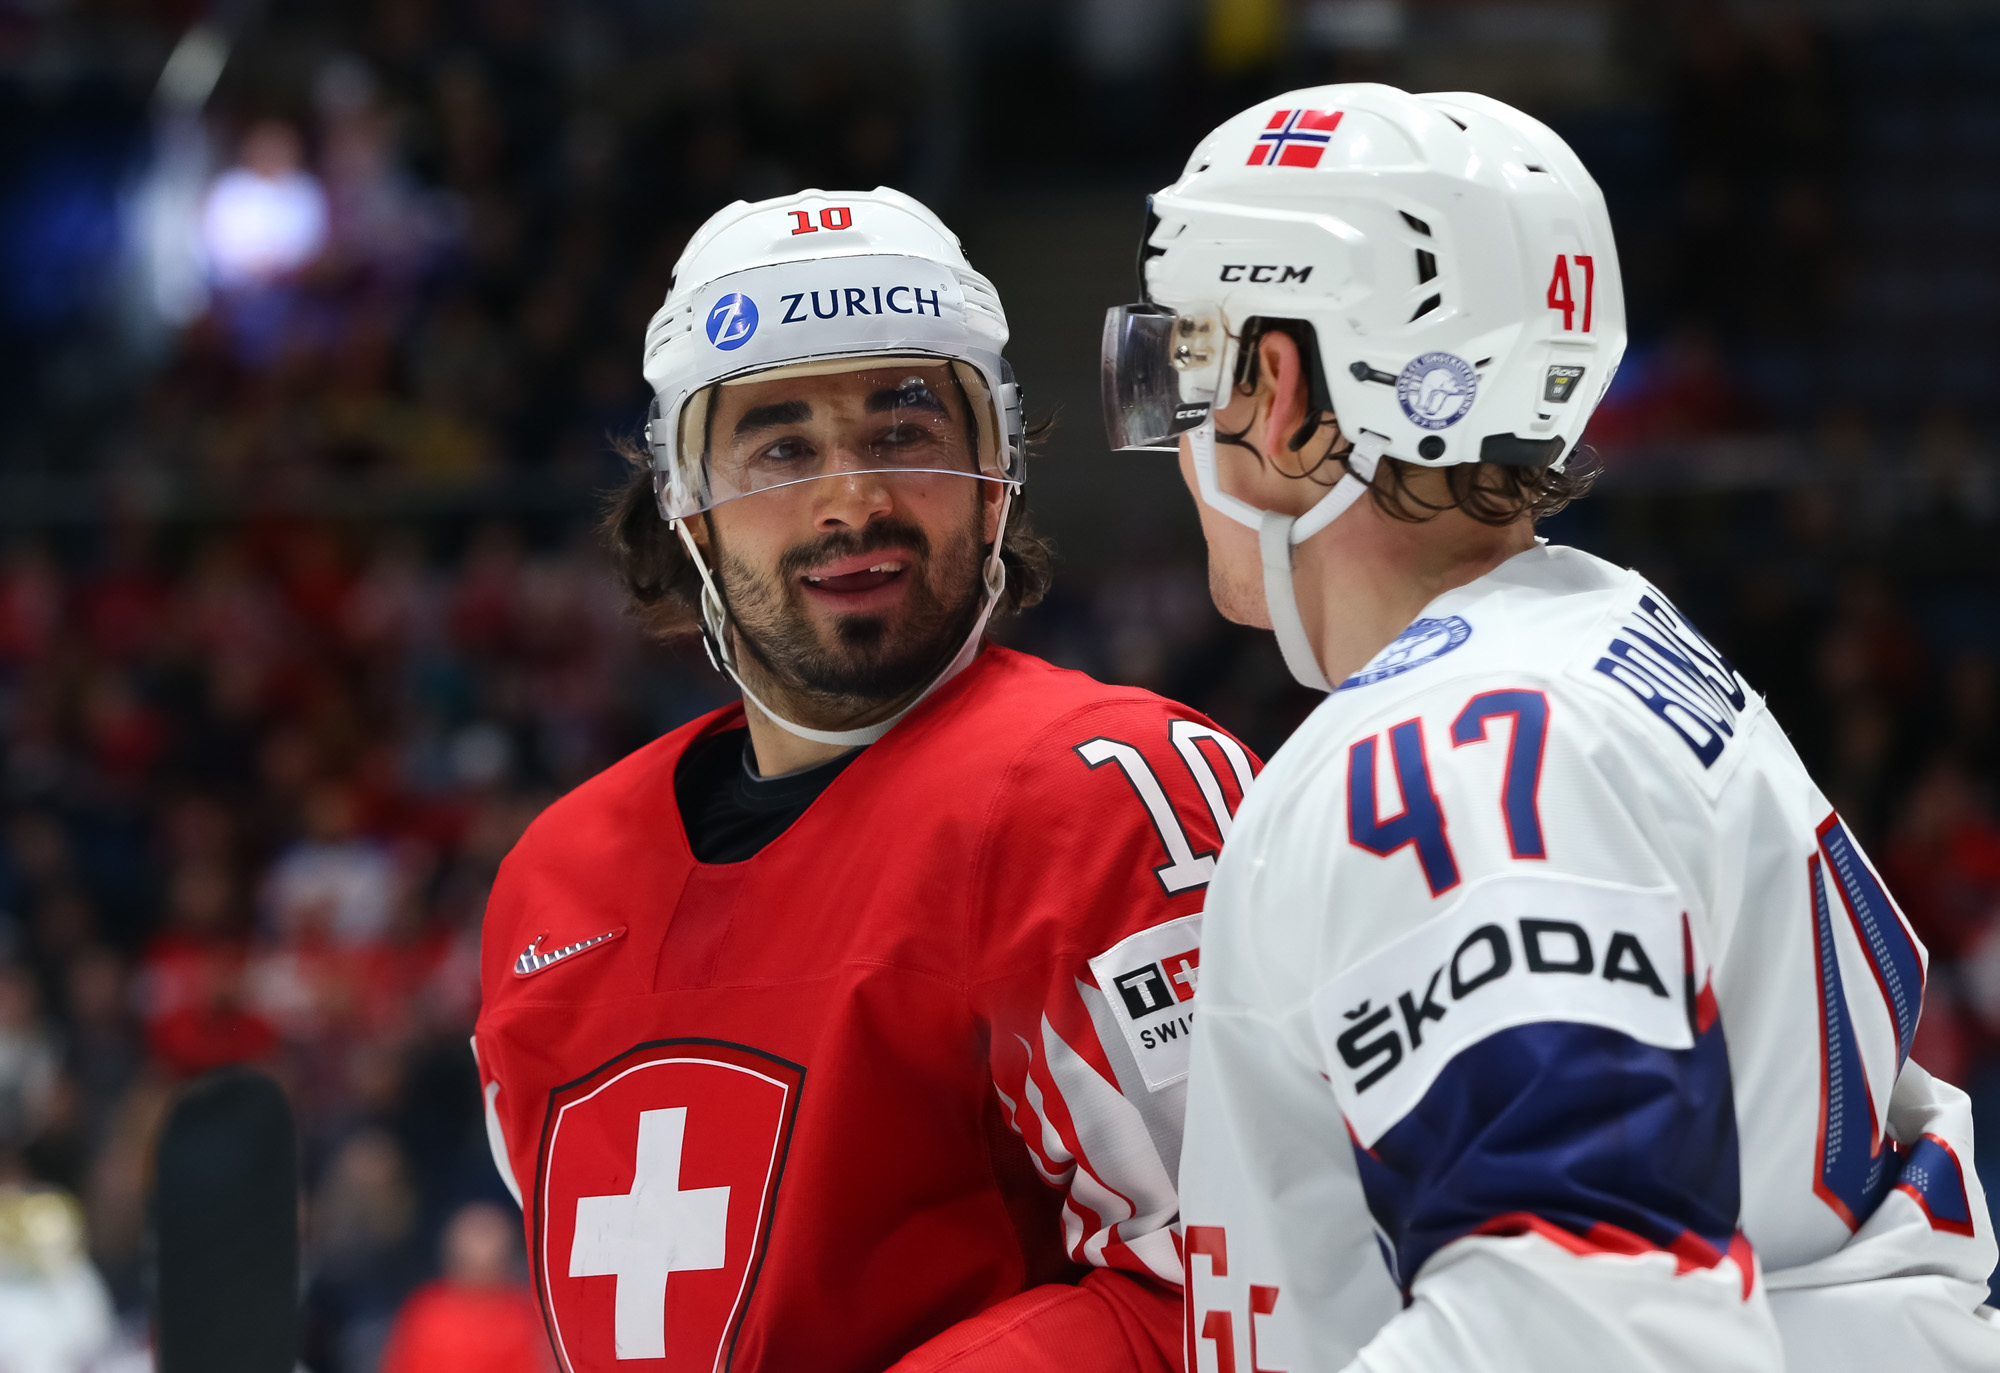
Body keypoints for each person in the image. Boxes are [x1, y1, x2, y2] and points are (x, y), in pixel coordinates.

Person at [1101, 85, 2000, 1370]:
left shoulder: (1446, 749)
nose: (1175, 429)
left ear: (1278, 387)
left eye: (1188, 359)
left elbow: (1582, 1318)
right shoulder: (1600, 636)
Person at [475, 186, 1256, 1372]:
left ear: (994, 465)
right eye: (781, 447)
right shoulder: (554, 881)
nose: (853, 501)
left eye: (903, 433)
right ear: (685, 505)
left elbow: (1245, 1275)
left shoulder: (1106, 787)